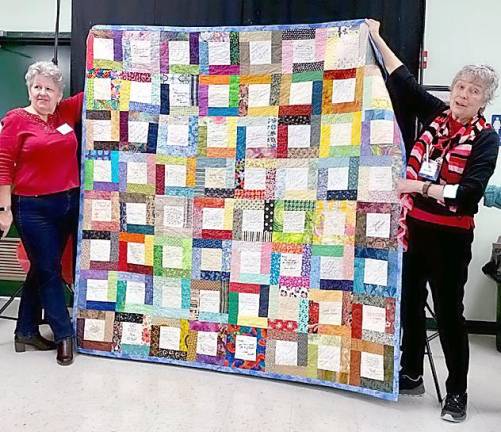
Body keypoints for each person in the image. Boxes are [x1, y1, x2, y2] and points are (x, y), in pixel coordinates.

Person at [366, 19, 499, 422]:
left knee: (447, 314)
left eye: (473, 91)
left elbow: (470, 194)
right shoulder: (439, 119)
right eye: (460, 87)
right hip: (416, 231)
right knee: (409, 305)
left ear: (484, 100)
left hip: (451, 238)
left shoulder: (486, 138)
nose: (463, 95)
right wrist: (375, 36)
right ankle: (412, 373)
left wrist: (419, 187)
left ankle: (456, 393)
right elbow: (404, 81)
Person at [0, 61, 83, 366]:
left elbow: (101, 85)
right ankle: (64, 335)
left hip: (66, 203)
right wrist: (4, 208)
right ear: (29, 89)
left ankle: (25, 330)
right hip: (32, 207)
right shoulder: (16, 120)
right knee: (49, 270)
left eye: (49, 88)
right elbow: (3, 164)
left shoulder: (65, 114)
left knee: (41, 266)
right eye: (37, 87)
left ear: (60, 93)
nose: (43, 93)